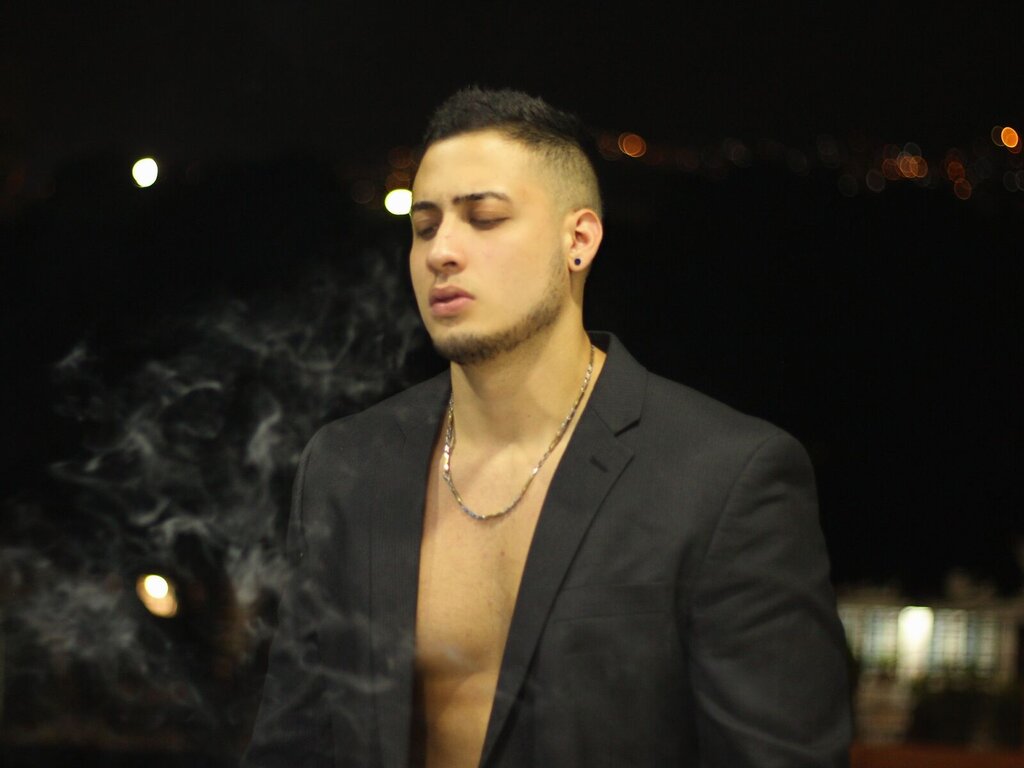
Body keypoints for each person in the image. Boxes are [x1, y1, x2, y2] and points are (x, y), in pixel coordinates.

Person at [243, 87, 851, 768]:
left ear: (579, 239)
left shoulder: (723, 477)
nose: (443, 250)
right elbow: (291, 745)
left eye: (484, 218)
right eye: (424, 226)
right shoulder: (349, 466)